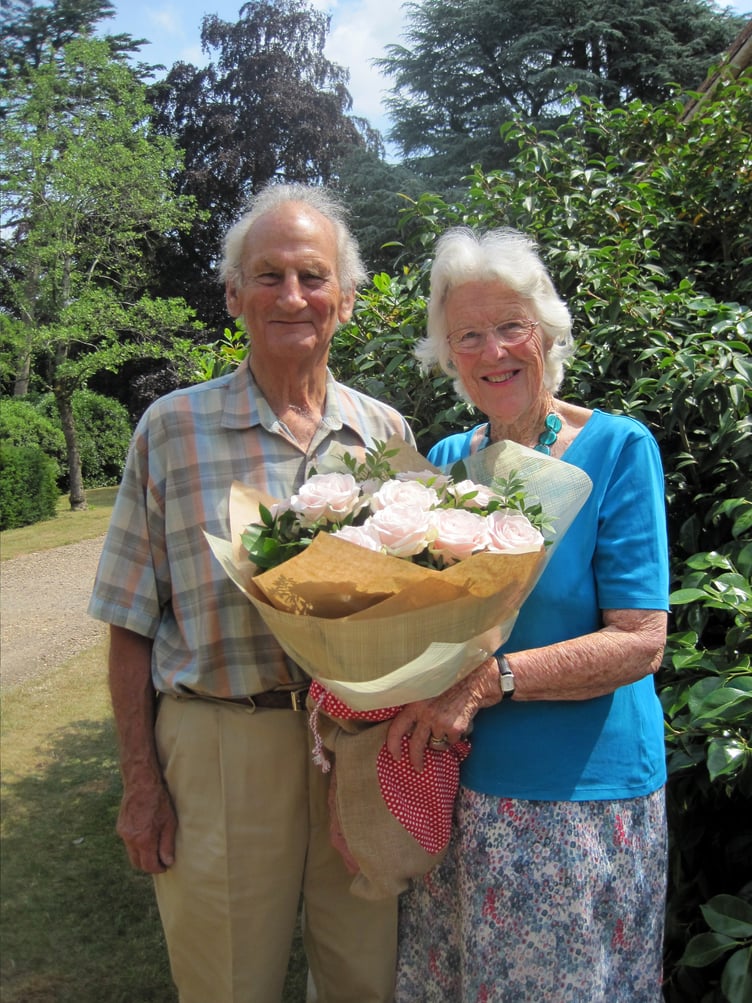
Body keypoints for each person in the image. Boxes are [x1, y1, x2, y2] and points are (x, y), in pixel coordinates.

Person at [88, 182, 415, 1003]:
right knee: (229, 985)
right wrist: (140, 781)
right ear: (234, 296)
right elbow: (129, 622)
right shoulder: (170, 428)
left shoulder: (387, 435)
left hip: (359, 748)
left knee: (365, 980)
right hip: (224, 745)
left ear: (346, 297)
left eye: (313, 275)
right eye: (267, 276)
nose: (292, 296)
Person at [386, 226, 670, 1003]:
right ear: (450, 357)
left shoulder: (616, 448)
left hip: (578, 803)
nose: (493, 350)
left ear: (547, 332)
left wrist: (486, 681)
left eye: (511, 326)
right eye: (468, 335)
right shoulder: (443, 463)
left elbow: (641, 641)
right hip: (455, 795)